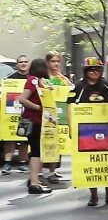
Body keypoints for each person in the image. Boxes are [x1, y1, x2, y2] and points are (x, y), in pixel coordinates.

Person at [74, 57, 108, 207]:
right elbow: (70, 107)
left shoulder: (107, 86)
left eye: (97, 69)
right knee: (91, 163)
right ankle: (93, 196)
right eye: (91, 69)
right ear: (85, 71)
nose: (94, 72)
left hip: (107, 130)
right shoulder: (78, 87)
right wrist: (71, 128)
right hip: (86, 131)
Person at [16, 58, 52, 195]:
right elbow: (22, 99)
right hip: (34, 120)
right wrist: (40, 108)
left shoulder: (39, 81)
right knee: (36, 151)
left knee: (37, 151)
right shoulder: (33, 81)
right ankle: (34, 183)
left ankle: (34, 178)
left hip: (40, 121)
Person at [41, 51, 71, 183]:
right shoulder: (43, 78)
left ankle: (53, 170)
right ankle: (43, 171)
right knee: (47, 141)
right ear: (47, 63)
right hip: (46, 115)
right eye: (53, 61)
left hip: (61, 115)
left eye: (58, 61)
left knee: (59, 142)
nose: (56, 64)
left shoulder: (63, 79)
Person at [2, 55, 31, 174]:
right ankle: (7, 164)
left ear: (28, 64)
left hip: (28, 112)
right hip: (11, 113)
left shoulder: (32, 78)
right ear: (17, 65)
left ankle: (22, 163)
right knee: (10, 138)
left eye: (25, 62)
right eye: (20, 62)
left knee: (24, 139)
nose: (23, 64)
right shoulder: (9, 79)